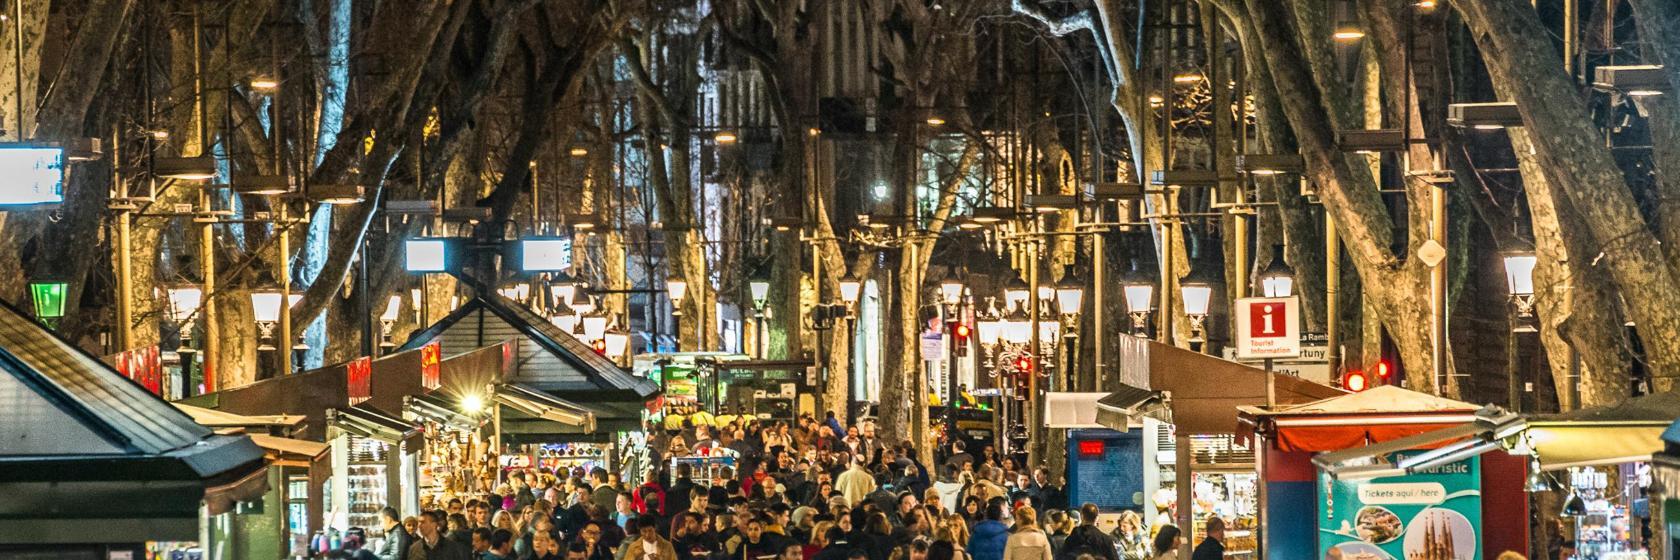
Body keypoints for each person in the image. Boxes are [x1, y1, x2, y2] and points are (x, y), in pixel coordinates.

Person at [409, 510, 473, 560]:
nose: (419, 526)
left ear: (434, 524)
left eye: (423, 522)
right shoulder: (414, 549)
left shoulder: (453, 547)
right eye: (419, 523)